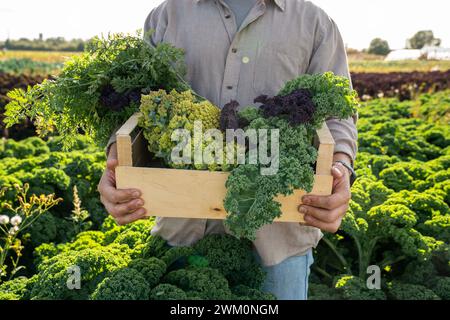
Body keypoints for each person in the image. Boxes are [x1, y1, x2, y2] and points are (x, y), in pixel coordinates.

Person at [97, 0, 358, 300]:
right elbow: (132, 105)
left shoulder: (315, 23)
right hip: (182, 235)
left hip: (279, 244)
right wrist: (115, 163)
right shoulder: (168, 15)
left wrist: (341, 169)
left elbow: (338, 114)